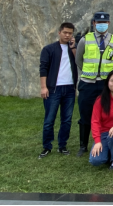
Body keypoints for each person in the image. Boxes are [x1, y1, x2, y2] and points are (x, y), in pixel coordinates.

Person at [75, 11, 113, 157]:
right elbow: (79, 60)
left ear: (109, 23)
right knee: (85, 114)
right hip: (88, 83)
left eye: (105, 22)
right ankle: (83, 145)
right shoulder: (85, 40)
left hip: (106, 84)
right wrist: (90, 72)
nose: (102, 25)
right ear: (94, 23)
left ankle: (106, 142)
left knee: (108, 113)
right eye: (99, 22)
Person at [38, 22, 78, 159]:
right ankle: (47, 146)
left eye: (70, 33)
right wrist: (44, 87)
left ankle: (62, 145)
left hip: (70, 88)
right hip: (53, 89)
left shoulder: (72, 49)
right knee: (49, 119)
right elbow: (43, 68)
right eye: (65, 32)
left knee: (66, 120)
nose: (67, 35)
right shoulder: (49, 49)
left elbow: (78, 62)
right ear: (59, 32)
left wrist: (73, 47)